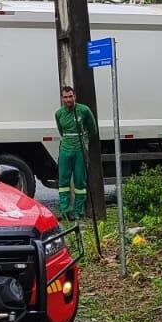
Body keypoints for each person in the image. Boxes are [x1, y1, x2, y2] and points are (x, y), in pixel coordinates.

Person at [55, 85, 97, 221]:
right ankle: (65, 210)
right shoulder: (59, 114)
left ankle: (78, 211)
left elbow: (93, 129)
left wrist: (84, 141)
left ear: (75, 97)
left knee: (80, 181)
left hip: (80, 149)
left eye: (70, 96)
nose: (68, 99)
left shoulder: (84, 110)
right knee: (63, 181)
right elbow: (61, 131)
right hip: (65, 149)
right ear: (62, 99)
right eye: (65, 97)